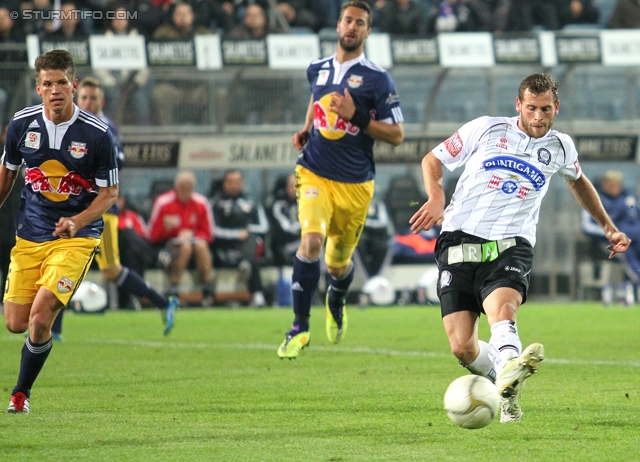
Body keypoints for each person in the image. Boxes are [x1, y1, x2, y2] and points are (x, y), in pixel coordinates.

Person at [408, 73, 631, 423]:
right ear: (518, 105)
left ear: (556, 107)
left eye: (545, 109)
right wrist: (437, 197)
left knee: (502, 309)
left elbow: (578, 180)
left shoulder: (561, 146)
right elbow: (432, 160)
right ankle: (506, 385)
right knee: (462, 347)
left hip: (512, 243)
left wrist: (609, 227)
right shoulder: (485, 129)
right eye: (531, 108)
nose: (539, 117)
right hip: (459, 238)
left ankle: (511, 364)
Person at [277, 0, 404, 359]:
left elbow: (396, 135)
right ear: (338, 25)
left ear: (367, 31)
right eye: (348, 20)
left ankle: (337, 297)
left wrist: (357, 116)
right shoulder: (316, 68)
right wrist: (305, 129)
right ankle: (299, 328)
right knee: (312, 240)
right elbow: (316, 99)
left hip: (356, 185)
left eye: (360, 23)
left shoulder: (378, 79)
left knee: (337, 265)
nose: (352, 27)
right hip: (314, 170)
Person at [1, 50, 120, 414]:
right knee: (15, 323)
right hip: (30, 236)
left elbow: (110, 193)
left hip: (75, 239)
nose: (55, 90)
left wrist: (78, 222)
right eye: (47, 84)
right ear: (38, 88)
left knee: (40, 317)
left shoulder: (98, 135)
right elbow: (7, 172)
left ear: (74, 85)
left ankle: (20, 394)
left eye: (61, 83)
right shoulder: (21, 125)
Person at [75, 76, 178, 333]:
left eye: (93, 98)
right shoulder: (73, 126)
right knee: (66, 262)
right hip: (75, 207)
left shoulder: (105, 129)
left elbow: (116, 161)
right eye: (84, 98)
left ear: (102, 102)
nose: (88, 102)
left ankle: (163, 302)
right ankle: (53, 329)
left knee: (110, 269)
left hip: (102, 209)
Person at [148, 170, 215, 305]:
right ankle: (174, 287)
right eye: (182, 186)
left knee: (201, 245)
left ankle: (207, 289)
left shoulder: (201, 203)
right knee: (185, 247)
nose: (185, 190)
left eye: (188, 187)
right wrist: (169, 230)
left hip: (195, 245)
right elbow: (152, 235)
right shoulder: (163, 202)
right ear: (176, 186)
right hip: (168, 246)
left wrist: (193, 234)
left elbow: (209, 233)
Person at [210, 169, 270, 307]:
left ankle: (247, 266)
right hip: (225, 247)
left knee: (253, 239)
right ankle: (257, 293)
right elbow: (213, 230)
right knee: (251, 251)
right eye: (230, 182)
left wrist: (247, 231)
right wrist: (236, 234)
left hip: (248, 245)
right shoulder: (216, 204)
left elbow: (264, 227)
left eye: (237, 182)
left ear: (242, 184)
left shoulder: (252, 203)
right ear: (224, 184)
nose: (233, 185)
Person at [581, 170, 640, 287]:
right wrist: (610, 233)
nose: (614, 188)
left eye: (617, 185)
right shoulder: (595, 200)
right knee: (626, 252)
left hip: (635, 235)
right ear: (604, 184)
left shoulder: (628, 197)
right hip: (610, 240)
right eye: (611, 184)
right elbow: (586, 226)